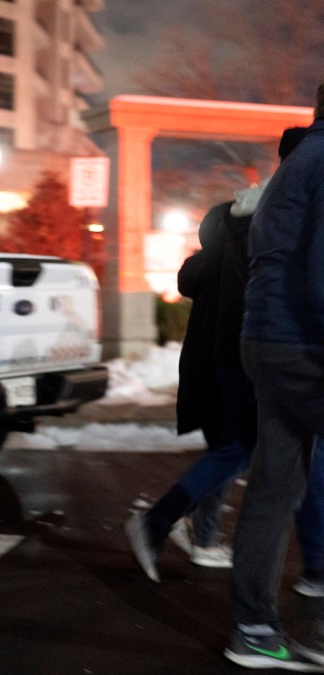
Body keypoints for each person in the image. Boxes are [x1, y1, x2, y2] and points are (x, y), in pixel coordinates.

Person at [124, 128, 312, 583]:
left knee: (236, 447)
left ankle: (193, 532)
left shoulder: (239, 214)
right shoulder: (280, 211)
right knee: (249, 451)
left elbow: (195, 277)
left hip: (231, 350)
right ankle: (166, 524)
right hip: (261, 351)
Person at [224, 84, 324, 672]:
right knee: (278, 487)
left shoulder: (298, 162)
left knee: (276, 487)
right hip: (303, 343)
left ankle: (253, 629)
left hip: (267, 339)